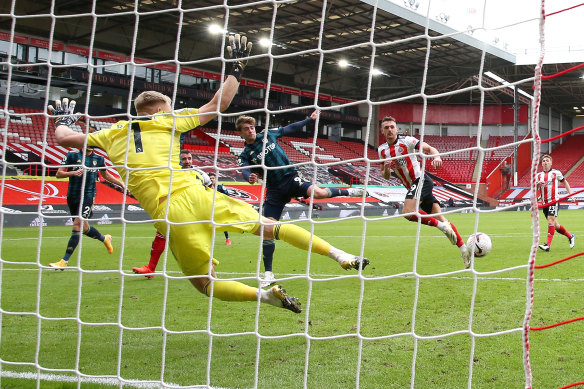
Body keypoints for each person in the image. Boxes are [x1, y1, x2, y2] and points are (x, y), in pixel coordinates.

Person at [49, 34, 368, 314]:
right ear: (161, 110)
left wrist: (63, 118)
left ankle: (264, 297)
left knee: (204, 285)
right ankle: (341, 255)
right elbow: (220, 103)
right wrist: (236, 68)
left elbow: (64, 138)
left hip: (167, 211)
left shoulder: (111, 133)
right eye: (170, 106)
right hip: (195, 192)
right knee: (272, 228)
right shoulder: (168, 121)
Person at [236, 111, 367, 287]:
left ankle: (350, 192)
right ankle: (268, 273)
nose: (251, 130)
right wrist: (249, 177)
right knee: (267, 230)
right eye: (246, 128)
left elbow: (290, 128)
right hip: (274, 190)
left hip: (291, 178)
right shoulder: (245, 154)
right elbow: (245, 170)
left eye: (252, 127)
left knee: (318, 193)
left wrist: (309, 120)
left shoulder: (267, 134)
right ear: (241, 133)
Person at [376, 116, 472, 268]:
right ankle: (464, 250)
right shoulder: (382, 151)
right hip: (413, 187)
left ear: (396, 129)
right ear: (382, 131)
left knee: (408, 212)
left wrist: (437, 157)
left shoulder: (407, 141)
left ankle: (441, 227)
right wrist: (387, 168)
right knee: (442, 220)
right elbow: (385, 175)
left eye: (392, 127)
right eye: (386, 127)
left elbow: (429, 149)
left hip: (421, 180)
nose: (389, 130)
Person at [131, 153, 228, 279]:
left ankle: (208, 264)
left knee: (194, 240)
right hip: (176, 210)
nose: (187, 161)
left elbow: (210, 189)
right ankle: (150, 268)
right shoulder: (173, 172)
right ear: (180, 160)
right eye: (184, 159)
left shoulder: (200, 174)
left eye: (189, 158)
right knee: (161, 235)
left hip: (194, 211)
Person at [49, 147, 125, 269]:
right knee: (84, 228)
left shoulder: (99, 159)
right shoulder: (71, 155)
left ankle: (64, 261)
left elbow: (105, 175)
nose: (90, 145)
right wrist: (72, 173)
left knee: (77, 225)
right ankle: (105, 239)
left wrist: (120, 183)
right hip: (73, 196)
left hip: (88, 196)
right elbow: (59, 173)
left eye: (92, 143)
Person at [536, 154, 575, 251]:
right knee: (555, 225)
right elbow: (534, 188)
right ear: (541, 163)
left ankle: (547, 245)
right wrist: (537, 184)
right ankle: (570, 236)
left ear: (551, 163)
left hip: (554, 202)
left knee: (550, 220)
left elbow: (565, 182)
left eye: (547, 161)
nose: (545, 162)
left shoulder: (556, 173)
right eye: (543, 161)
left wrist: (571, 194)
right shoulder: (538, 176)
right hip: (545, 203)